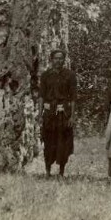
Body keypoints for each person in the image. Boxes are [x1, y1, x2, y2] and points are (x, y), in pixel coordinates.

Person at [38, 49, 76, 178]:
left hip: (63, 113)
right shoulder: (45, 75)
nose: (58, 61)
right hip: (49, 114)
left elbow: (73, 97)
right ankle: (47, 170)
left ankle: (61, 171)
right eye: (56, 58)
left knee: (63, 141)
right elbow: (41, 96)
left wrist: (72, 116)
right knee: (48, 141)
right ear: (51, 59)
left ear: (64, 60)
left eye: (61, 58)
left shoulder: (70, 75)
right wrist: (39, 114)